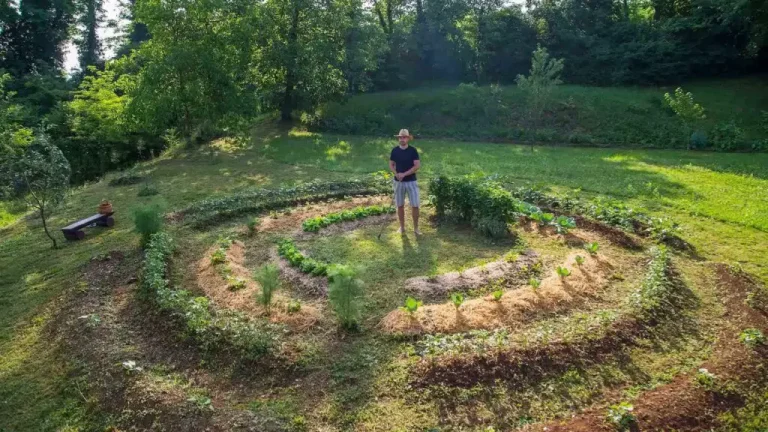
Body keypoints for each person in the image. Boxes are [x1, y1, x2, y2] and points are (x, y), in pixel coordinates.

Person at [389, 129, 421, 235]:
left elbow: (416, 166)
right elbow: (391, 165)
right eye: (400, 137)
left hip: (411, 181)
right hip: (398, 182)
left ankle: (416, 228)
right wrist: (396, 174)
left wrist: (404, 174)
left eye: (404, 137)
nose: (402, 139)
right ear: (398, 138)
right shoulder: (394, 151)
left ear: (408, 138)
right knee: (400, 205)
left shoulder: (413, 151)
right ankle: (402, 227)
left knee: (415, 205)